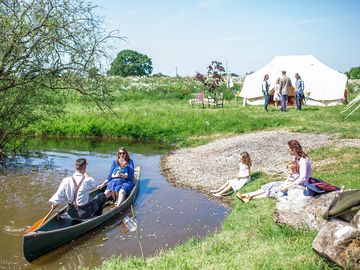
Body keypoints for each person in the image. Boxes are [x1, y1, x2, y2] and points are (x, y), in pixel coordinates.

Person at [236, 140, 312, 203]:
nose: (288, 150)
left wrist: (288, 186)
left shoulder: (303, 160)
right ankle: (248, 195)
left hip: (301, 185)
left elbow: (302, 178)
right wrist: (286, 182)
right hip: (292, 180)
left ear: (294, 149)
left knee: (275, 189)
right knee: (271, 184)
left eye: (289, 149)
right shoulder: (295, 158)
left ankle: (248, 196)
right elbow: (291, 173)